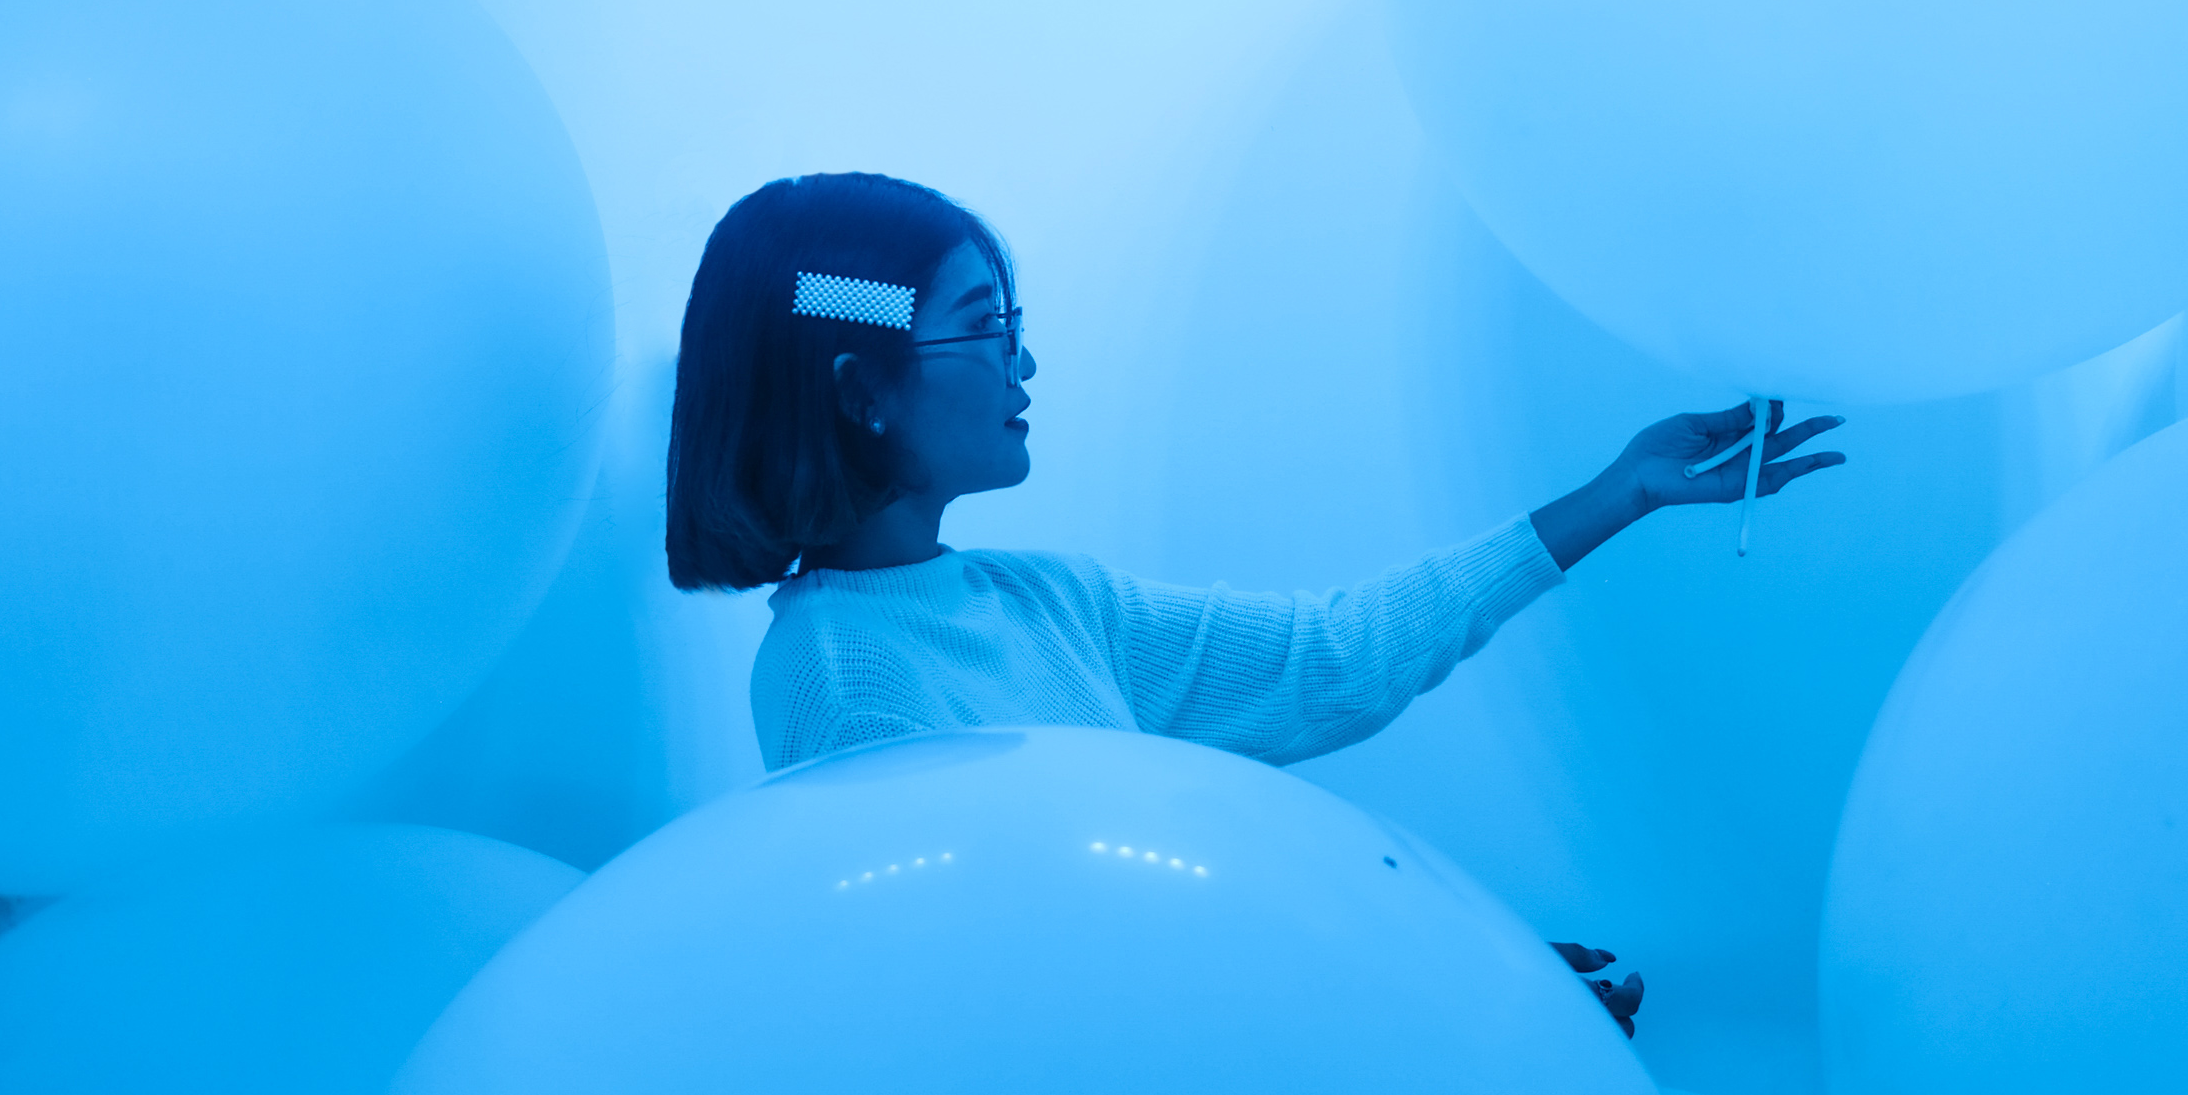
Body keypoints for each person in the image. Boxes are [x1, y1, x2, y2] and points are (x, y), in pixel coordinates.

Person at [667, 172, 1844, 777]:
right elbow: (1025, 981)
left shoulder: (1045, 601)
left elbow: (1333, 657)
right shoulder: (844, 677)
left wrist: (1621, 490)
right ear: (861, 393)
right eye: (985, 324)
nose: (1023, 360)